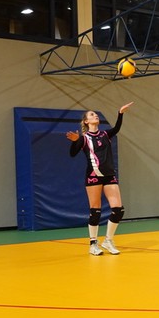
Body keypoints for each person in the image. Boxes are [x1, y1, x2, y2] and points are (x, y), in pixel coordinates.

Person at [66, 102, 134, 255]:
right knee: (95, 211)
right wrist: (76, 141)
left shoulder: (105, 134)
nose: (95, 115)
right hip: (93, 176)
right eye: (92, 115)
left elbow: (116, 128)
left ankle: (108, 240)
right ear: (86, 121)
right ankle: (93, 244)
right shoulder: (84, 138)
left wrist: (120, 113)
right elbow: (72, 154)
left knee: (118, 210)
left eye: (96, 114)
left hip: (109, 175)